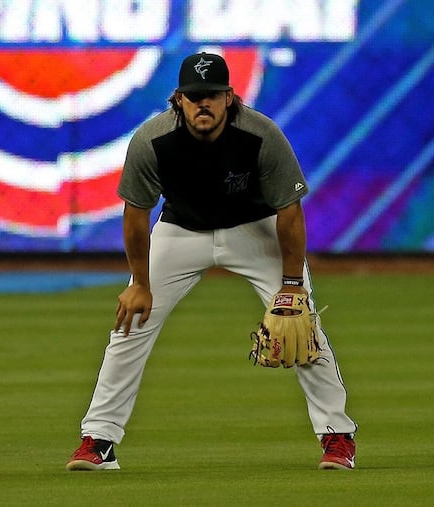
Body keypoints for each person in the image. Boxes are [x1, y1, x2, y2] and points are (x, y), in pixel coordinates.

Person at [65, 52, 357, 471]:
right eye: (194, 95)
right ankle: (99, 440)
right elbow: (135, 214)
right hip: (181, 230)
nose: (204, 103)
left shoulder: (260, 134)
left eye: (213, 95)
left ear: (230, 98)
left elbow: (289, 212)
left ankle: (337, 436)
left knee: (301, 325)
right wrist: (139, 283)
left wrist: (292, 286)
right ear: (178, 99)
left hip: (253, 229)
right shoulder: (153, 140)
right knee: (131, 324)